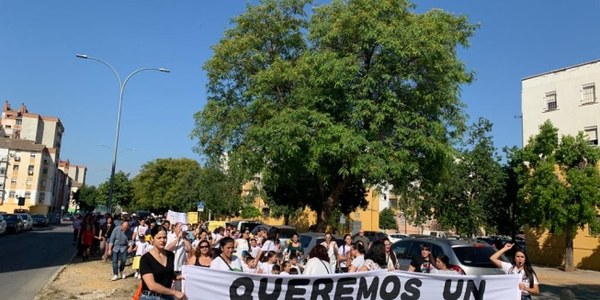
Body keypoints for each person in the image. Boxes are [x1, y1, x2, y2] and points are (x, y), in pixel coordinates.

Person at [139, 225, 186, 300]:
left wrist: (176, 276)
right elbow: (152, 285)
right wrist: (174, 292)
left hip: (167, 297)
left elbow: (165, 272)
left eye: (164, 237)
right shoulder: (145, 259)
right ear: (152, 238)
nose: (162, 240)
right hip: (150, 297)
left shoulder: (170, 255)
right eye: (159, 238)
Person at [166, 223, 192, 292]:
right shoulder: (169, 236)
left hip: (180, 267)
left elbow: (189, 249)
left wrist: (183, 238)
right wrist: (177, 239)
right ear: (175, 228)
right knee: (169, 288)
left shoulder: (185, 238)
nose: (181, 229)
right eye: (180, 227)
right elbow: (167, 248)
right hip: (171, 266)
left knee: (178, 288)